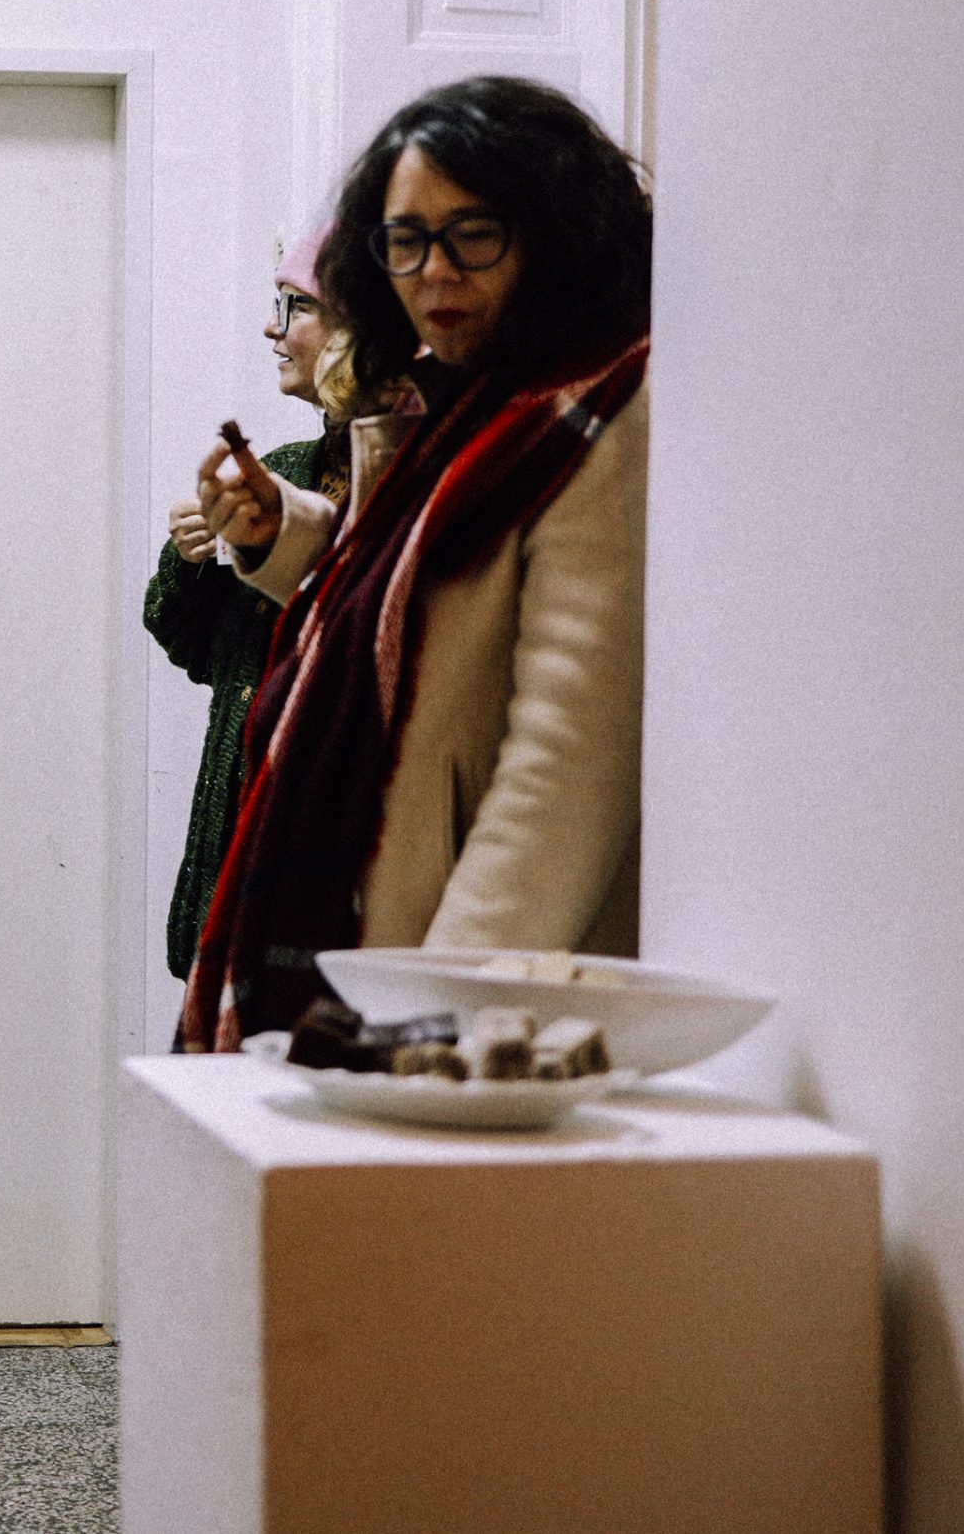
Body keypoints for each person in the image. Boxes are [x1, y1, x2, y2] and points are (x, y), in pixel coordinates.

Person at [183, 76, 652, 1051]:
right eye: (404, 240)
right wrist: (281, 535)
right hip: (383, 915)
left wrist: (437, 1019)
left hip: (452, 967)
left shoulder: (599, 411)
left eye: (472, 234)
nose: (433, 271)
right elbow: (420, 594)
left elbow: (566, 764)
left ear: (554, 232)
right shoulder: (467, 397)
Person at [142, 228, 351, 992]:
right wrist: (192, 556)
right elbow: (198, 648)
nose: (271, 327)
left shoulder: (401, 479)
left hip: (316, 881)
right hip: (231, 861)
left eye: (295, 306)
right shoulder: (281, 471)